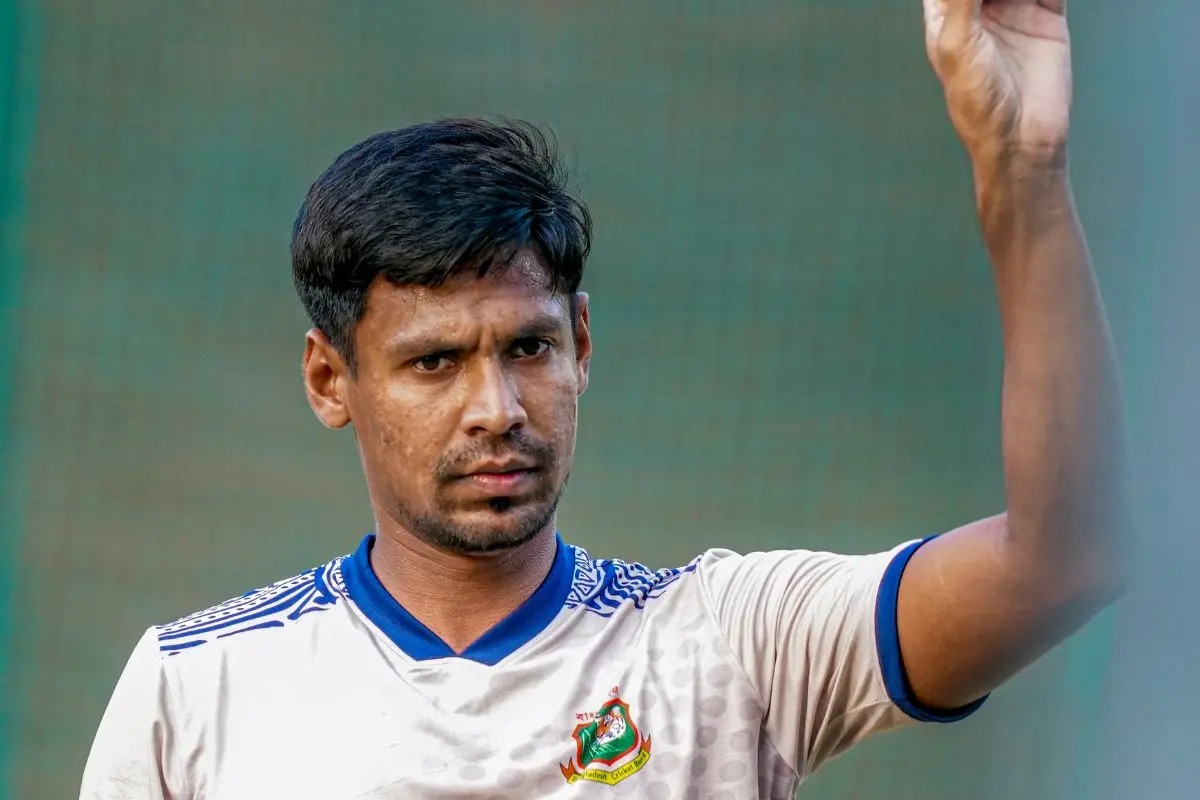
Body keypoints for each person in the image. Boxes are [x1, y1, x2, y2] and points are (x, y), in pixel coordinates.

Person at [80, 1, 1127, 797]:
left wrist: (1022, 167)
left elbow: (1065, 559)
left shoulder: (732, 643)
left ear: (581, 343)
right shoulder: (196, 688)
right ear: (329, 379)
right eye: (434, 362)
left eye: (528, 346)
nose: (496, 406)